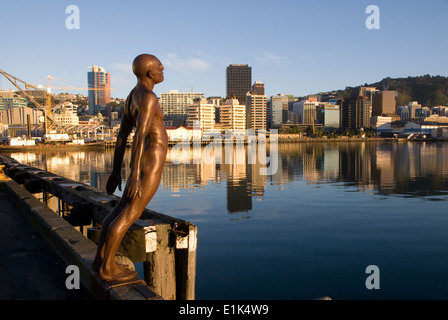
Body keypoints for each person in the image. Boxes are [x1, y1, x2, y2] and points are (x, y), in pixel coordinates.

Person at [93, 54, 168, 282]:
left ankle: (101, 260)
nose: (162, 68)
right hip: (150, 163)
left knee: (119, 211)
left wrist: (117, 171)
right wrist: (134, 177)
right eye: (158, 66)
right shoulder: (148, 97)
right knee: (130, 215)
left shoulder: (132, 96)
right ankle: (107, 269)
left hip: (142, 162)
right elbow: (138, 137)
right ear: (149, 73)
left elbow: (121, 137)